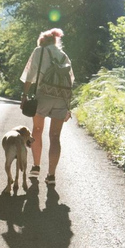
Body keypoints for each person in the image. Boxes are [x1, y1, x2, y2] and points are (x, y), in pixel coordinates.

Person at [20, 28, 74, 186]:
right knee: (55, 136)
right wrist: (68, 106)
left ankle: (36, 167)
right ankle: (51, 175)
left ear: (42, 41)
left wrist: (24, 95)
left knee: (37, 130)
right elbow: (70, 81)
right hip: (61, 99)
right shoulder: (64, 56)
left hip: (43, 96)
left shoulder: (39, 51)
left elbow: (29, 75)